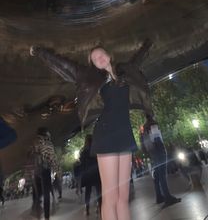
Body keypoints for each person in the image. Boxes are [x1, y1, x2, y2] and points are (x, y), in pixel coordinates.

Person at [30, 38, 153, 220]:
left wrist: (148, 44)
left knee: (123, 198)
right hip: (105, 137)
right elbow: (64, 65)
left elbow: (139, 58)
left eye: (101, 54)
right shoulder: (89, 77)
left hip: (126, 136)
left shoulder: (126, 71)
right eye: (95, 58)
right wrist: (41, 52)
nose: (99, 58)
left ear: (109, 55)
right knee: (110, 198)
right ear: (93, 64)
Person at [142, 116, 181, 207]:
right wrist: (163, 149)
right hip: (158, 152)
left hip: (152, 153)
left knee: (157, 175)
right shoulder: (153, 125)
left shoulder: (145, 127)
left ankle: (159, 196)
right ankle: (168, 198)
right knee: (162, 175)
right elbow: (157, 139)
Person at [30, 127, 61, 220]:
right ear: (46, 133)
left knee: (38, 194)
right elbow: (51, 158)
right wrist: (58, 170)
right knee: (46, 194)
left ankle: (37, 212)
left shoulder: (35, 142)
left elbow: (32, 155)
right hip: (45, 170)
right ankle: (46, 216)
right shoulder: (47, 143)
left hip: (36, 171)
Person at [80, 134, 101, 216]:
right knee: (99, 191)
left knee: (88, 192)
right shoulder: (96, 150)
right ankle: (99, 206)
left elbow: (82, 164)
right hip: (96, 173)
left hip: (88, 174)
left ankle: (87, 209)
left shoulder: (83, 152)